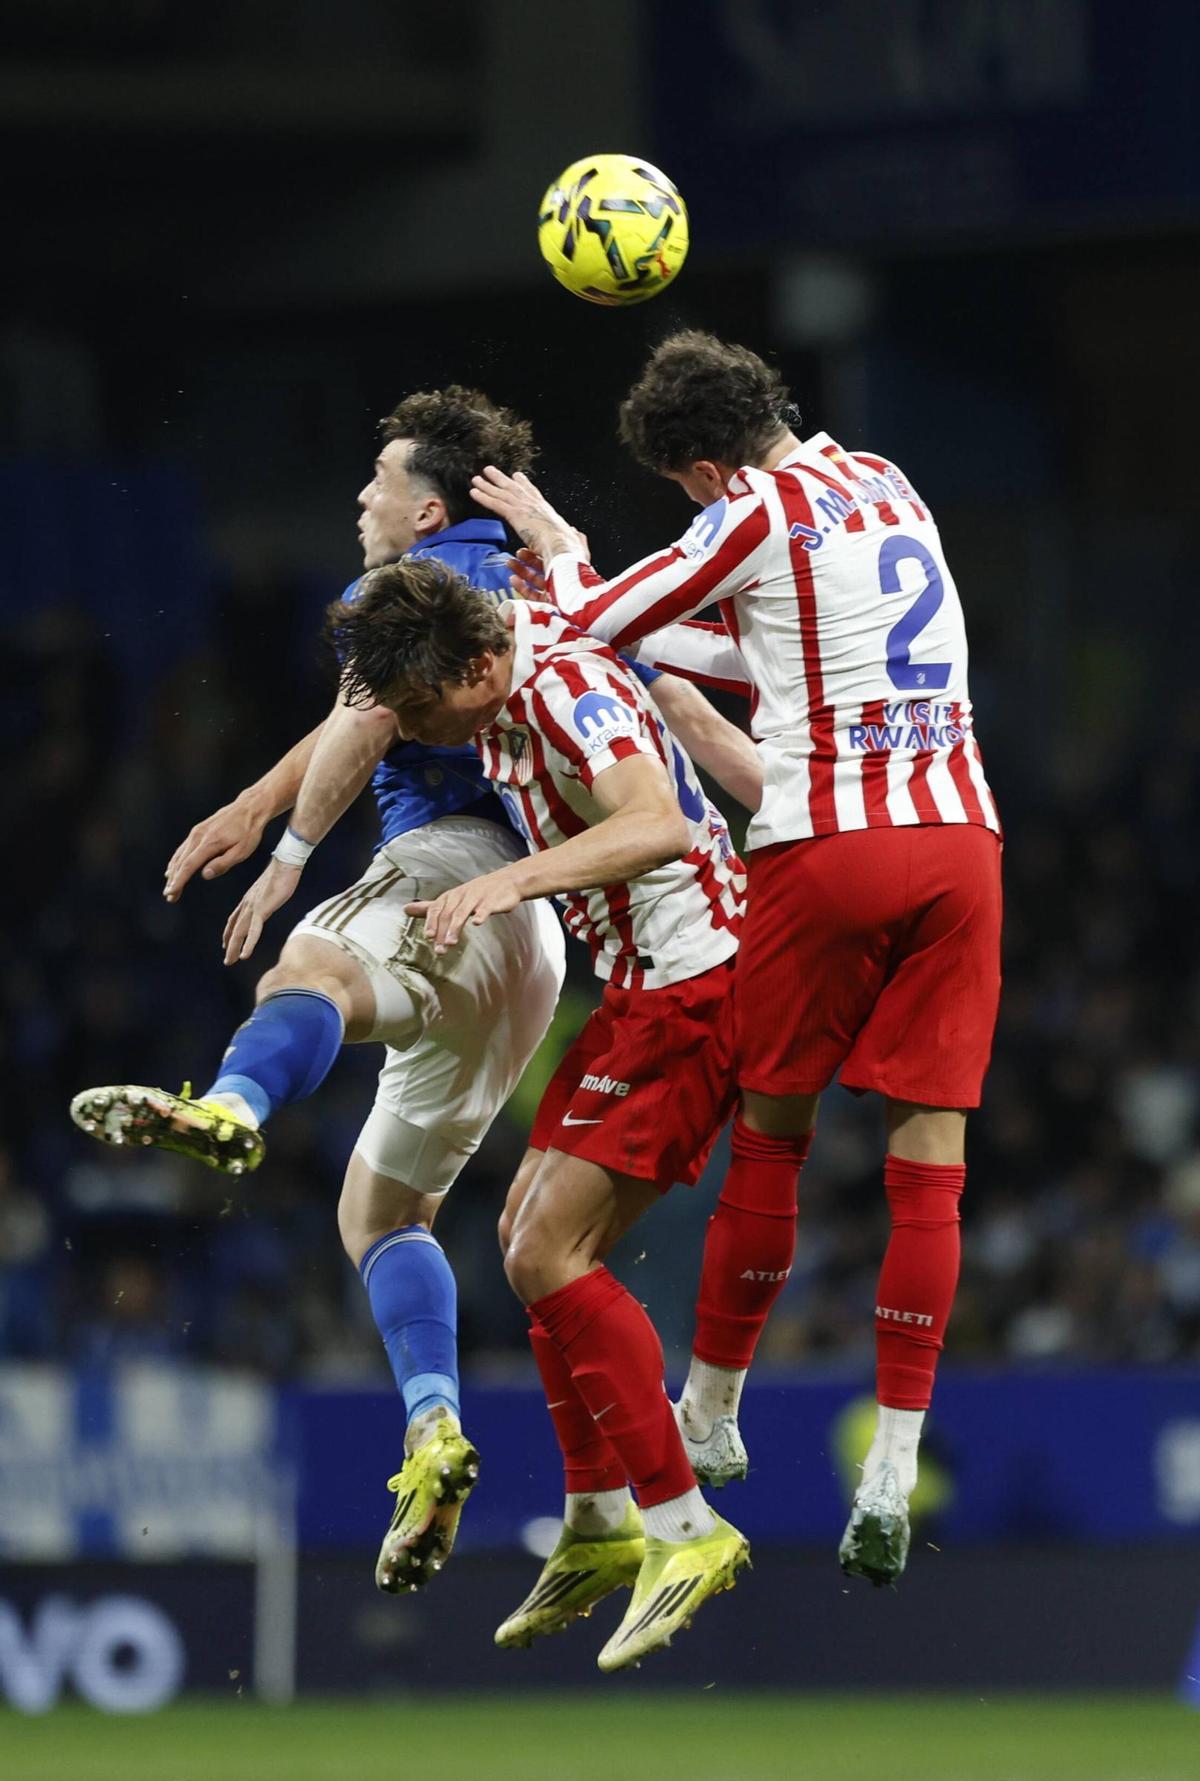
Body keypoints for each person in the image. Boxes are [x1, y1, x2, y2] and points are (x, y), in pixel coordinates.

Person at [471, 330, 1003, 1589]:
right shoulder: (885, 478)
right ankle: (894, 1459)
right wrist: (687, 668)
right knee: (932, 1171)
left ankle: (710, 1405)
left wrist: (558, 546)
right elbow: (759, 636)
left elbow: (598, 622)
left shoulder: (748, 507)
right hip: (964, 836)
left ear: (703, 466)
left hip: (833, 844)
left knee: (775, 1134)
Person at [70, 386, 568, 1596]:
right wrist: (251, 803)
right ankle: (436, 1423)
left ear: (430, 504)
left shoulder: (403, 593)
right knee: (381, 1218)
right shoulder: (543, 571)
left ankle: (236, 1106)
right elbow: (366, 709)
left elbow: (362, 723)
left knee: (311, 966)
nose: (360, 500)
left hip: (452, 874)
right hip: (540, 943)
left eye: (378, 481)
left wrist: (287, 856)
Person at [327, 558, 755, 1674]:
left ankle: (684, 1528)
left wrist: (512, 884)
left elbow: (655, 821)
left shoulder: (563, 688)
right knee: (525, 1236)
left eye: (423, 707)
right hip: (636, 991)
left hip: (694, 985)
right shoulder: (501, 658)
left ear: (476, 667)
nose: (415, 731)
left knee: (547, 1249)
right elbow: (565, 580)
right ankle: (600, 1517)